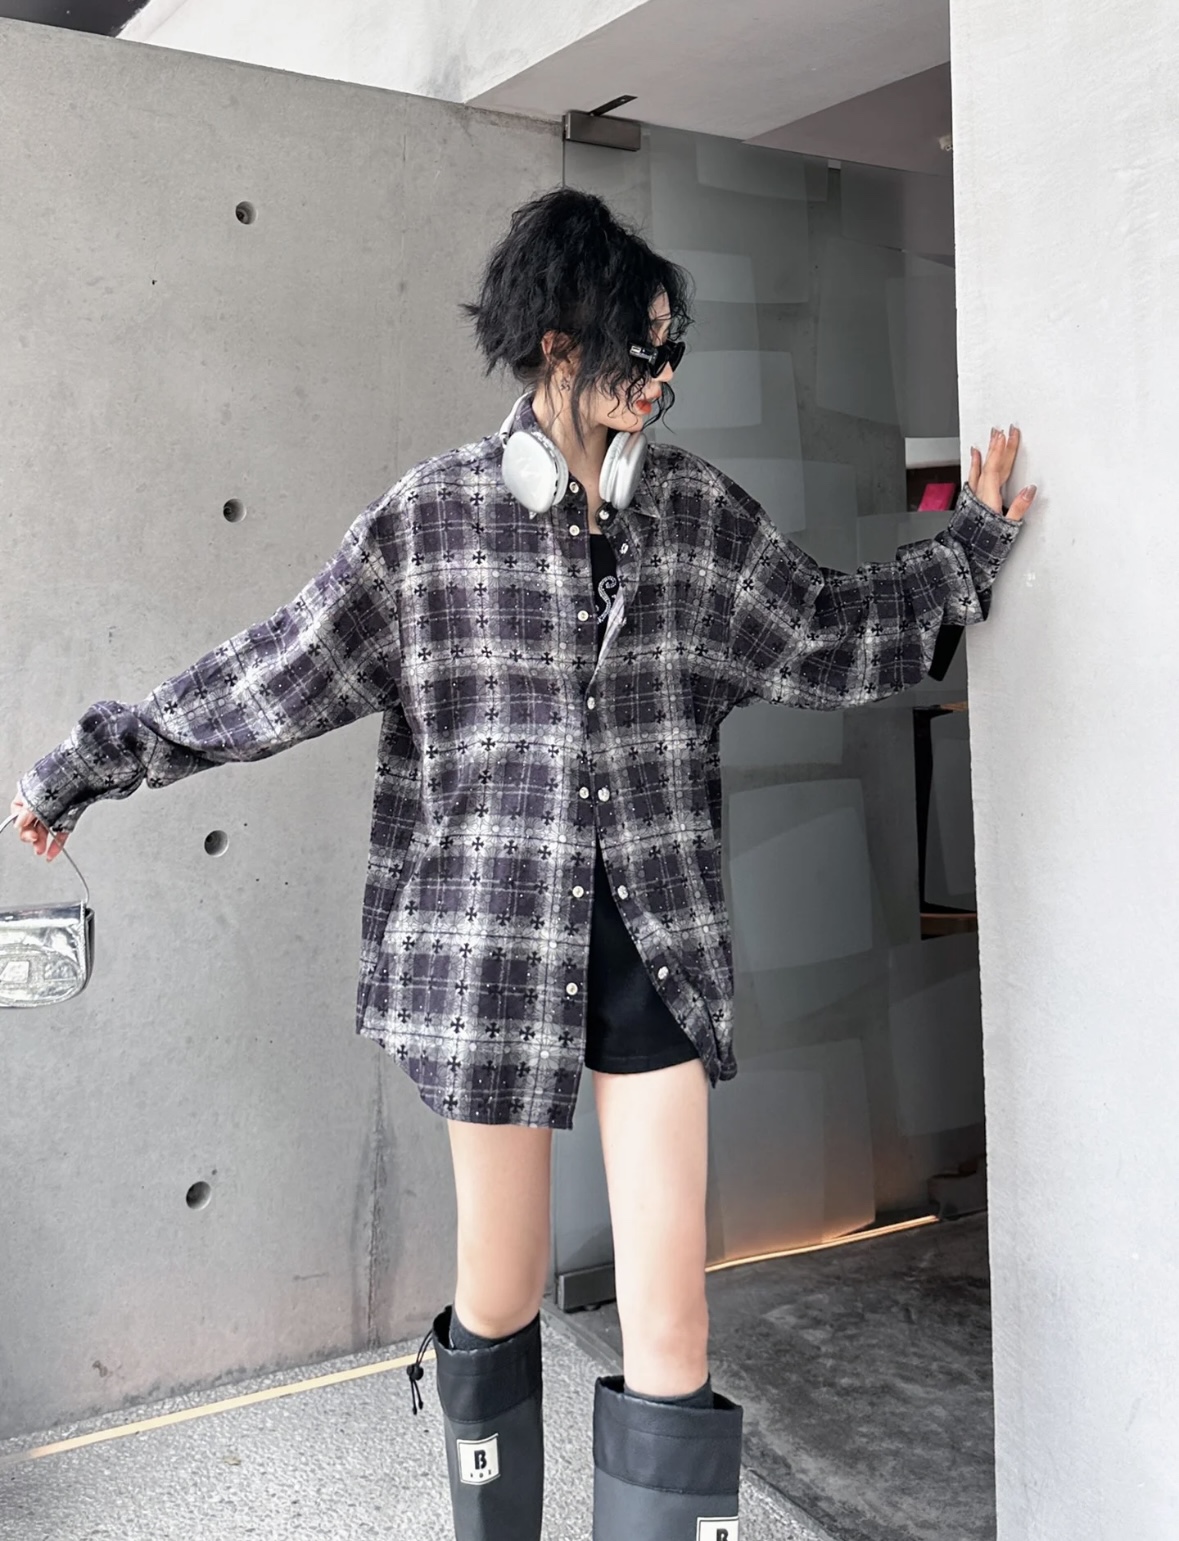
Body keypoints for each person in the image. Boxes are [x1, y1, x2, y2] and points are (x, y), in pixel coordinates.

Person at [10, 186, 1036, 1540]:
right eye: (641, 351)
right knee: (496, 1289)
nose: (664, 379)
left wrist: (968, 550)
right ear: (559, 344)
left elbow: (826, 629)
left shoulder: (694, 517)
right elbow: (280, 667)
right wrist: (100, 758)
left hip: (657, 951)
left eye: (674, 351)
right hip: (488, 962)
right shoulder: (429, 523)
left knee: (672, 1316)